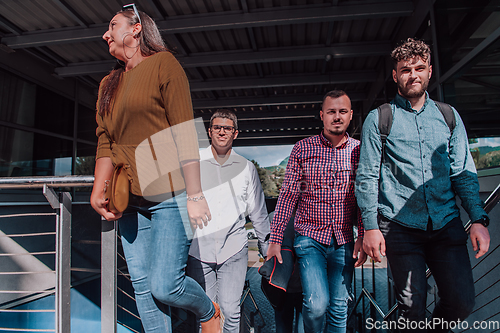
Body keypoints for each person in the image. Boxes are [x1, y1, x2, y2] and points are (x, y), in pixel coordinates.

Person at [90, 5, 222, 332]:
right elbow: (106, 139)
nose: (106, 34)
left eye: (113, 25)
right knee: (143, 289)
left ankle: (208, 311)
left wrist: (195, 194)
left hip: (170, 194)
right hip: (128, 200)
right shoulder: (109, 83)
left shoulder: (164, 64)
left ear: (136, 28)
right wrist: (98, 187)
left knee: (165, 285)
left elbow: (184, 131)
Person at [355, 38, 490, 332]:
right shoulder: (379, 119)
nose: (412, 75)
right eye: (405, 70)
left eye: (419, 68)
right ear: (395, 76)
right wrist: (370, 226)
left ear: (429, 70)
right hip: (400, 227)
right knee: (411, 308)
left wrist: (478, 219)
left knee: (462, 302)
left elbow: (463, 171)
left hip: (446, 223)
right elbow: (366, 176)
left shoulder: (449, 116)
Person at [267, 90, 366, 333]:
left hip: (343, 241)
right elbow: (288, 196)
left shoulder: (360, 151)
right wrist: (275, 239)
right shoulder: (302, 149)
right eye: (331, 112)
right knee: (316, 305)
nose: (337, 117)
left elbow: (365, 197)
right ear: (322, 116)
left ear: (350, 115)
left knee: (339, 308)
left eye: (342, 111)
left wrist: (362, 235)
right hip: (310, 240)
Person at [187, 109, 270, 332]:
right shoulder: (194, 163)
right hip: (198, 250)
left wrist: (267, 249)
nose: (222, 132)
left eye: (227, 128)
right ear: (209, 131)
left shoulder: (246, 168)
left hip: (234, 249)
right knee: (204, 312)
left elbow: (258, 212)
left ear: (235, 133)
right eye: (217, 127)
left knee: (231, 312)